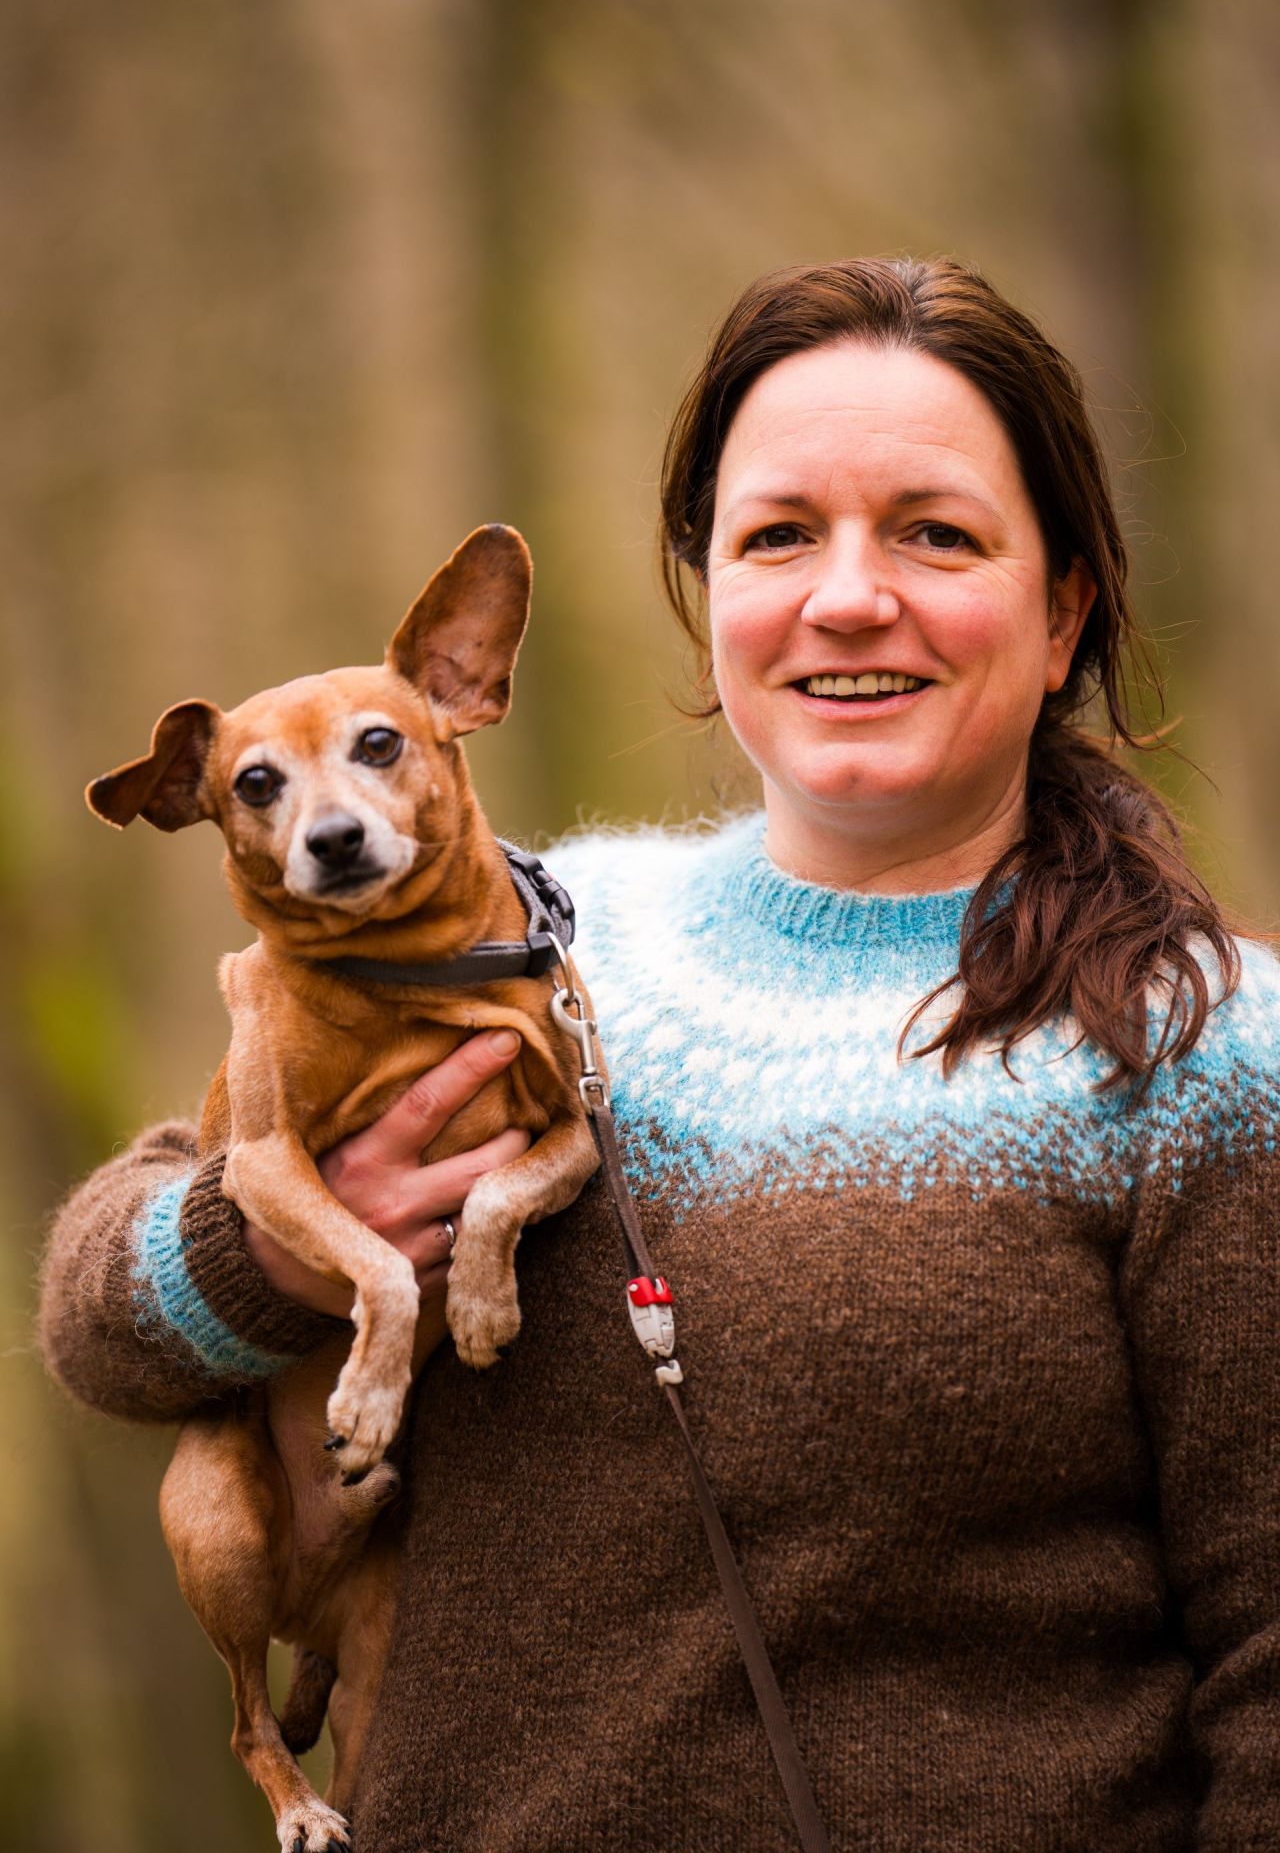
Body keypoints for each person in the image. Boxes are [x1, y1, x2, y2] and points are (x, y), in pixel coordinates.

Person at [39, 257, 1280, 1852]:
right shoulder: (518, 935)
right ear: (713, 607)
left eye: (936, 533)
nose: (846, 595)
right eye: (778, 536)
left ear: (1063, 613)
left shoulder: (1209, 1052)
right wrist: (282, 1256)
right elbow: (95, 1325)